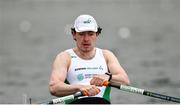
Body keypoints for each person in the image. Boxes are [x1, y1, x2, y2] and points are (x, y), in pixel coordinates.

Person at [49, 14, 130, 104]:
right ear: (74, 34)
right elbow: (54, 87)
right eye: (82, 34)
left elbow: (125, 81)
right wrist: (80, 88)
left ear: (97, 34)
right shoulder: (64, 57)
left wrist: (108, 77)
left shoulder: (106, 55)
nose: (86, 39)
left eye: (90, 34)